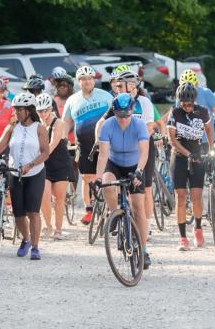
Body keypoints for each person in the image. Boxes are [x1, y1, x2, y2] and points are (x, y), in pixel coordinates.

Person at [0, 93, 50, 259]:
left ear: (29, 110)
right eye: (15, 110)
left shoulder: (39, 128)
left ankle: (36, 247)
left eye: (20, 110)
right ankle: (26, 239)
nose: (16, 113)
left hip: (35, 173)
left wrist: (31, 165)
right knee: (18, 213)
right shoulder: (11, 128)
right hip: (14, 173)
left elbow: (46, 153)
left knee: (33, 212)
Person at [96, 93, 151, 265]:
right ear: (114, 112)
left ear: (132, 110)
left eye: (127, 115)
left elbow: (144, 152)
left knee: (138, 209)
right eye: (120, 115)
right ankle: (115, 214)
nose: (124, 119)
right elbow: (103, 154)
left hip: (135, 166)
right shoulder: (107, 125)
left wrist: (139, 171)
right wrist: (97, 178)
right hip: (114, 163)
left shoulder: (140, 125)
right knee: (106, 183)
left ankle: (143, 250)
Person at [62, 66, 113, 224]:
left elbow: (115, 116)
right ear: (79, 82)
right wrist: (63, 140)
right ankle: (89, 210)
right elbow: (66, 122)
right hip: (84, 145)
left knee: (106, 177)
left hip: (106, 142)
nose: (87, 81)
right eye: (83, 79)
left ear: (94, 80)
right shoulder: (72, 100)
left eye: (90, 78)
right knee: (86, 178)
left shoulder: (105, 96)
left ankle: (109, 208)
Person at [167, 84, 214, 250]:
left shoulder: (202, 111)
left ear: (194, 101)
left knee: (196, 195)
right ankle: (182, 237)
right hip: (179, 157)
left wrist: (211, 147)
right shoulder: (175, 113)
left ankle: (198, 228)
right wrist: (188, 154)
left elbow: (209, 129)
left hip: (197, 156)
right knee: (180, 197)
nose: (186, 106)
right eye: (183, 103)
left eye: (189, 103)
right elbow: (172, 140)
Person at [37, 92, 72, 241]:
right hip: (44, 164)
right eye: (40, 110)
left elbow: (52, 145)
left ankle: (58, 229)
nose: (43, 113)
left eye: (45, 110)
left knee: (59, 198)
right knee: (44, 196)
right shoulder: (36, 124)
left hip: (59, 163)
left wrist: (34, 160)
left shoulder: (59, 123)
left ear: (51, 109)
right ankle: (48, 225)